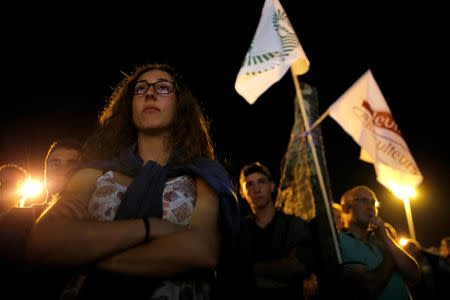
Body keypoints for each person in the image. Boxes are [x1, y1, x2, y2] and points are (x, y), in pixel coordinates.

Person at [26, 63, 253, 299]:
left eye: (163, 88)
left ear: (179, 105)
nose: (150, 93)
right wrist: (151, 227)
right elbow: (44, 242)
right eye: (141, 88)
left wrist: (82, 252)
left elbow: (201, 251)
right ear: (130, 106)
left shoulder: (203, 175)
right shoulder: (93, 173)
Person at [239, 161, 315, 299]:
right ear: (242, 192)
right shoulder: (239, 229)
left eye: (261, 182)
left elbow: (297, 268)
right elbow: (232, 271)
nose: (256, 189)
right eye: (249, 184)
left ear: (272, 186)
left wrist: (251, 267)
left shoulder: (293, 224)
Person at [338, 185, 420, 299]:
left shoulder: (382, 240)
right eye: (363, 201)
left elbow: (414, 276)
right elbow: (369, 286)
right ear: (346, 208)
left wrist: (387, 238)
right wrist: (391, 255)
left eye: (374, 203)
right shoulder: (339, 241)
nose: (370, 207)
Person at [43, 138, 82, 203]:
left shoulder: (99, 212)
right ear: (45, 173)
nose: (62, 171)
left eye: (72, 165)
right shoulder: (23, 213)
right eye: (55, 165)